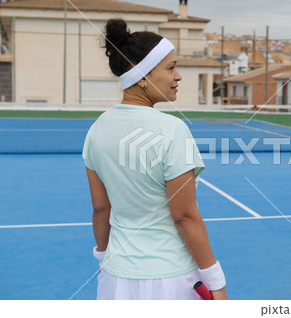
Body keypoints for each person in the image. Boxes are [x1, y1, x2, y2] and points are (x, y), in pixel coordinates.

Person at [82, 18, 228, 300]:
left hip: (114, 278)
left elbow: (101, 210)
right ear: (143, 74)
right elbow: (184, 217)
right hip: (170, 282)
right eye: (171, 67)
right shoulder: (173, 129)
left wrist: (103, 259)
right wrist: (216, 284)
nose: (178, 76)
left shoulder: (95, 130)